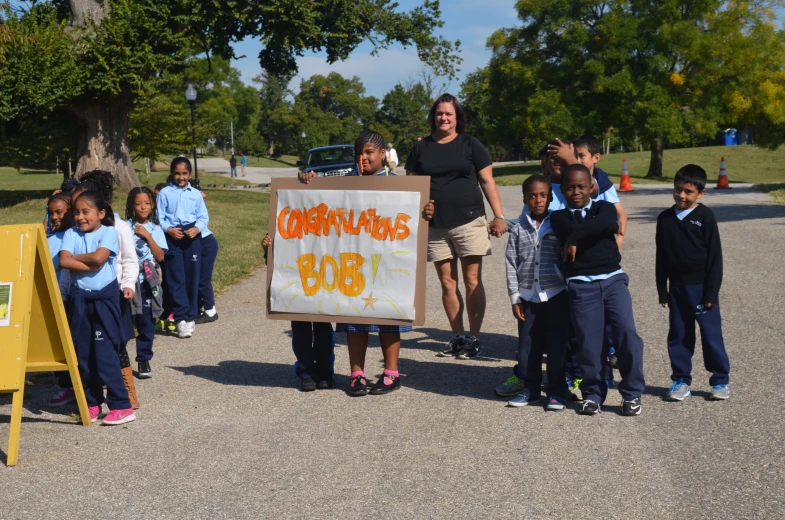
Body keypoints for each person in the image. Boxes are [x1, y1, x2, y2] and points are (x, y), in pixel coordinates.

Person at [405, 93, 507, 360]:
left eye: (449, 114)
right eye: (439, 113)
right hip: (435, 225)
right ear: (434, 117)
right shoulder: (421, 148)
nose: (444, 118)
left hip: (469, 220)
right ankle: (457, 335)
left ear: (457, 118)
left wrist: (499, 216)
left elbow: (487, 182)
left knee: (472, 281)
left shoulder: (469, 144)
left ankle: (474, 337)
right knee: (447, 283)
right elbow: (411, 188)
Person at [550, 164, 645, 416]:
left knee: (626, 334)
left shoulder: (603, 207)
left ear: (592, 187)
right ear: (562, 190)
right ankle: (593, 393)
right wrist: (576, 235)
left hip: (613, 281)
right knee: (590, 343)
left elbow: (608, 221)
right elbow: (587, 228)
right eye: (570, 187)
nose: (576, 192)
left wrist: (574, 239)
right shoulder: (558, 217)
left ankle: (632, 393)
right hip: (582, 285)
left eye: (581, 186)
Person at [48, 171, 141, 409]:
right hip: (80, 297)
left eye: (83, 209)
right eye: (74, 210)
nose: (77, 215)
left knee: (111, 349)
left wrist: (128, 283)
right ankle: (91, 399)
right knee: (85, 352)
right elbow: (65, 262)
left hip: (110, 293)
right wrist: (84, 261)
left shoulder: (114, 228)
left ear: (101, 208)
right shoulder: (71, 233)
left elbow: (116, 259)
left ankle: (124, 398)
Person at [656, 165, 730, 401]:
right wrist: (662, 290)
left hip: (701, 289)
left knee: (711, 336)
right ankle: (680, 380)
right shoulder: (665, 219)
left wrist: (711, 292)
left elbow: (715, 258)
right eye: (678, 189)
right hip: (677, 289)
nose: (681, 195)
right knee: (679, 334)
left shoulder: (705, 217)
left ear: (701, 193)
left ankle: (719, 381)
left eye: (688, 191)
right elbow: (661, 257)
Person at [501, 175, 569, 411]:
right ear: (525, 199)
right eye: (532, 196)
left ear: (550, 198)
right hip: (528, 298)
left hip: (555, 295)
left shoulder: (559, 225)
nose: (537, 200)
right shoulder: (519, 230)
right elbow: (511, 263)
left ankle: (557, 392)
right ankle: (530, 390)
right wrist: (514, 297)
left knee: (557, 345)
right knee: (528, 347)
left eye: (542, 195)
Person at [261, 233, 335, 391]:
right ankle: (306, 372)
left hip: (324, 277)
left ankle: (324, 373)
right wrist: (269, 246)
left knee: (323, 329)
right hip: (298, 281)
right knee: (300, 329)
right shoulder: (291, 215)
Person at [157, 157, 209, 339]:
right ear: (172, 173)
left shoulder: (195, 194)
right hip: (173, 236)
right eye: (177, 173)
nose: (181, 177)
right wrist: (169, 230)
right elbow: (160, 217)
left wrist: (197, 229)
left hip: (192, 235)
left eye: (184, 173)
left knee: (192, 277)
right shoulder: (164, 193)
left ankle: (191, 315)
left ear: (190, 174)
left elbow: (203, 217)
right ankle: (180, 318)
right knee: (176, 277)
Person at [126, 187, 167, 379]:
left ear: (152, 206)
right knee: (124, 321)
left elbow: (160, 256)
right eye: (138, 203)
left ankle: (143, 358)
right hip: (126, 280)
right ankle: (120, 361)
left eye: (147, 203)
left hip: (146, 282)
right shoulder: (124, 227)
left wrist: (147, 236)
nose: (143, 207)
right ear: (131, 206)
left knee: (146, 322)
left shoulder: (156, 229)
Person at [195, 221, 220, 324]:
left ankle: (210, 311)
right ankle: (197, 309)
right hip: (196, 243)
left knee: (203, 279)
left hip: (207, 244)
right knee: (194, 279)